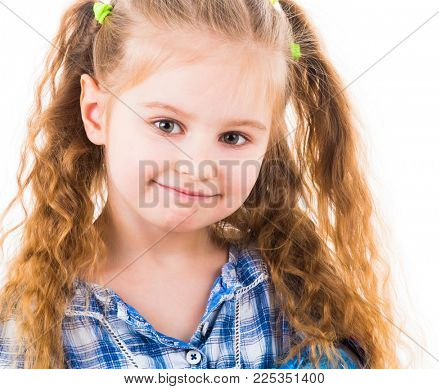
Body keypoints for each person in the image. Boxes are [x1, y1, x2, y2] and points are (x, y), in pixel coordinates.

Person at [0, 0, 400, 368]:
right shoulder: (35, 326)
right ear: (96, 113)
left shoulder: (296, 298)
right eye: (167, 125)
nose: (198, 167)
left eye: (233, 137)